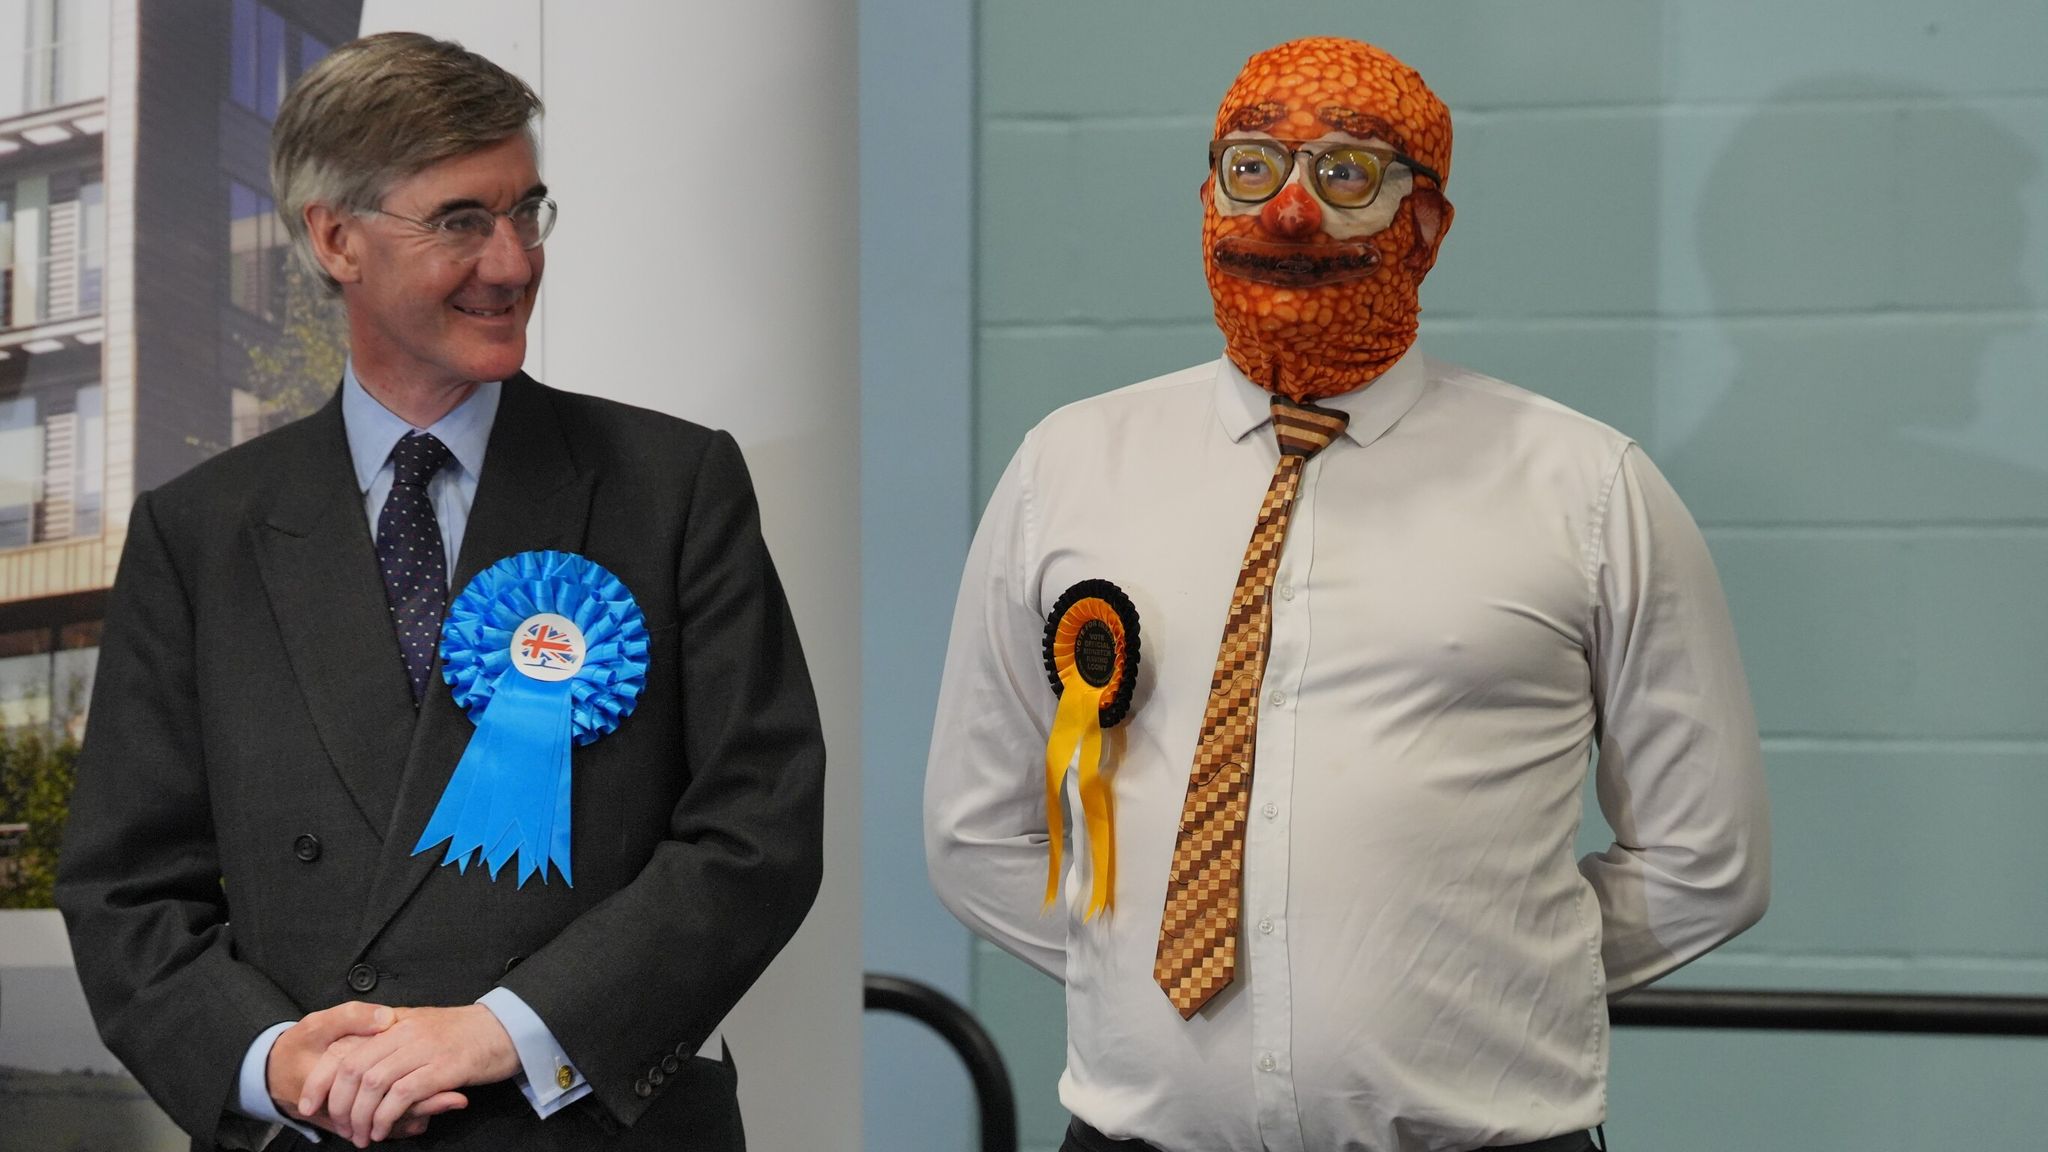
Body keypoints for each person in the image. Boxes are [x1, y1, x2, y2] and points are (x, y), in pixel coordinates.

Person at [925, 36, 1769, 1152]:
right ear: (1203, 197)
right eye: (1250, 169)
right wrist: (1145, 959)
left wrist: (1484, 967)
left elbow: (1704, 859)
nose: (1286, 216)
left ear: (1426, 227)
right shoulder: (1067, 466)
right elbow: (978, 830)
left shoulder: (1586, 487)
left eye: (1346, 178)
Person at [56, 32, 824, 1152]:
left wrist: (505, 1029)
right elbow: (126, 889)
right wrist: (278, 1063)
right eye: (462, 219)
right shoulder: (198, 533)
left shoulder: (673, 485)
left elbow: (759, 828)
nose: (512, 262)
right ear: (335, 239)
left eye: (528, 212)